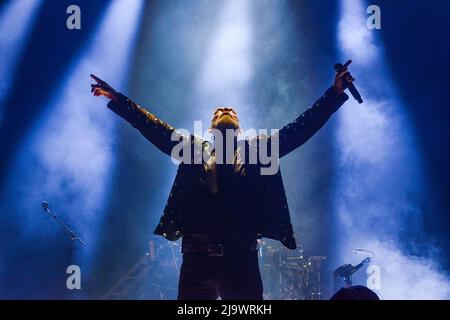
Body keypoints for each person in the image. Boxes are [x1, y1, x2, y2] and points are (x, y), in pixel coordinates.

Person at [90, 66, 352, 300]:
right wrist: (118, 99)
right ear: (211, 131)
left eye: (230, 111)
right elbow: (153, 127)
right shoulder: (194, 149)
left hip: (241, 260)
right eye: (219, 111)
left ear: (238, 130)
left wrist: (334, 93)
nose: (224, 110)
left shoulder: (256, 150)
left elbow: (299, 130)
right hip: (196, 260)